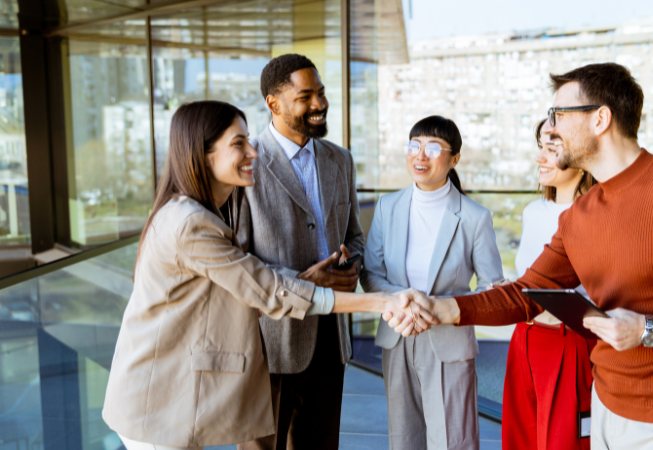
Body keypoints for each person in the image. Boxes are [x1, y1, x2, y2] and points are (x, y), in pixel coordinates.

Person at [388, 63, 653, 450]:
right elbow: (525, 292)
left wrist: (649, 328)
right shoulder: (580, 216)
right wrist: (440, 308)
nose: (551, 128)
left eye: (558, 114)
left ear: (600, 119)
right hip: (605, 404)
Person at [102, 101, 417, 450]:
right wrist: (382, 301)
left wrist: (310, 281)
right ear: (202, 154)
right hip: (157, 403)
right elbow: (265, 287)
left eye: (249, 140)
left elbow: (254, 280)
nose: (253, 151)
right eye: (238, 143)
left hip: (164, 397)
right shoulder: (191, 224)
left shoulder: (194, 214)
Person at [236, 54, 363, 450]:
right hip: (268, 341)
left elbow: (355, 235)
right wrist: (307, 281)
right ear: (273, 104)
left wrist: (351, 264)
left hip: (330, 336)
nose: (319, 104)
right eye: (305, 95)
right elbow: (239, 261)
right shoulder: (245, 164)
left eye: (321, 93)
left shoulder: (340, 160)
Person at [361, 115, 504, 450]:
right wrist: (402, 304)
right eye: (414, 144)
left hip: (449, 341)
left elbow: (491, 288)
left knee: (453, 440)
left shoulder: (474, 216)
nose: (420, 155)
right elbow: (370, 272)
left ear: (454, 159)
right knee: (404, 438)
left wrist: (444, 310)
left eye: (433, 147)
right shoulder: (388, 206)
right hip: (397, 335)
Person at [502, 118, 596, 450]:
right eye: (540, 148)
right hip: (524, 338)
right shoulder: (531, 211)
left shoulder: (596, 216)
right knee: (520, 438)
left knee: (564, 442)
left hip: (569, 342)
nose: (541, 158)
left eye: (552, 150)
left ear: (581, 159)